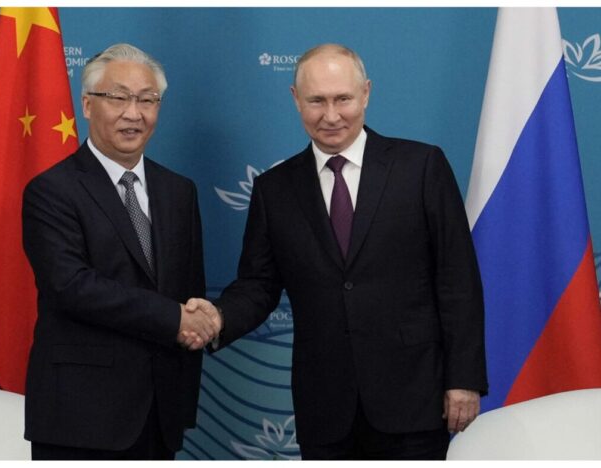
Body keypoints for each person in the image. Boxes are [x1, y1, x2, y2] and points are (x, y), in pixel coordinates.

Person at [184, 43, 487, 460]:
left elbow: (458, 278)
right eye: (316, 101)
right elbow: (259, 285)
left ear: (366, 93)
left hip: (414, 399)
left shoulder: (421, 167)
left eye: (342, 99)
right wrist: (218, 317)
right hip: (325, 406)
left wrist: (464, 378)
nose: (331, 116)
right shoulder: (275, 190)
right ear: (296, 99)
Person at [21, 43, 221, 460]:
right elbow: (72, 287)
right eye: (118, 98)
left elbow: (189, 287)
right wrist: (175, 318)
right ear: (88, 105)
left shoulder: (178, 191)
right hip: (81, 416)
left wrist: (199, 322)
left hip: (161, 411)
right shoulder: (51, 191)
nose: (134, 113)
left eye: (148, 100)